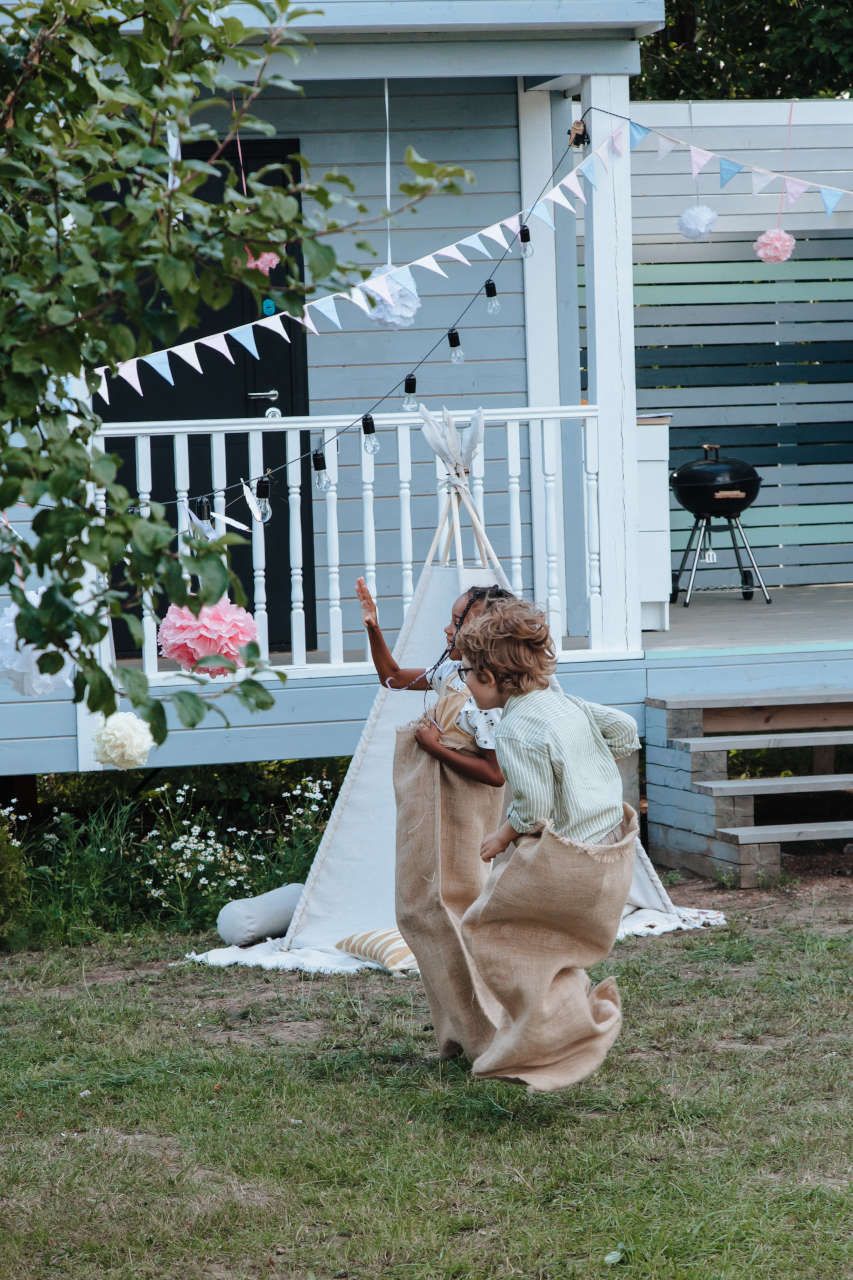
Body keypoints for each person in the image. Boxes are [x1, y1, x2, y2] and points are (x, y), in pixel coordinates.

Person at [452, 597, 640, 1092]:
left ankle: (558, 1037)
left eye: (468, 673)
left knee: (488, 932)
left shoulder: (514, 728)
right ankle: (552, 1027)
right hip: (612, 846)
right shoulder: (564, 702)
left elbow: (533, 809)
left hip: (567, 856)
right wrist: (590, 771)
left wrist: (499, 837)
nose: (465, 684)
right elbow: (624, 730)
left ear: (491, 677)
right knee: (551, 947)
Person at [356, 577, 510, 1059]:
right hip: (433, 814)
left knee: (453, 913)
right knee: (425, 913)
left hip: (463, 820)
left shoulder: (487, 693)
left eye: (457, 618)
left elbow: (494, 772)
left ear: (482, 624)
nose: (447, 627)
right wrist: (374, 629)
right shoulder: (455, 674)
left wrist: (432, 747)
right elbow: (393, 677)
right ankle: (460, 1036)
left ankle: (491, 1036)